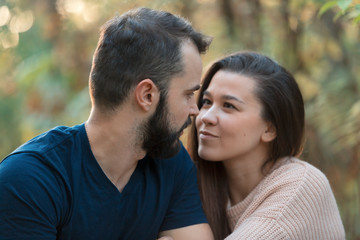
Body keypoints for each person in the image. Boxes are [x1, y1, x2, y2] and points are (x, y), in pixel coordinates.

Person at [0, 8, 214, 240]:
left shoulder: (170, 164)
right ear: (147, 95)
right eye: (187, 94)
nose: (195, 110)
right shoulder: (29, 180)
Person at [188, 51, 345, 240]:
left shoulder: (302, 187)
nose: (206, 117)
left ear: (270, 129)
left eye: (228, 106)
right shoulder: (196, 184)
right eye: (206, 102)